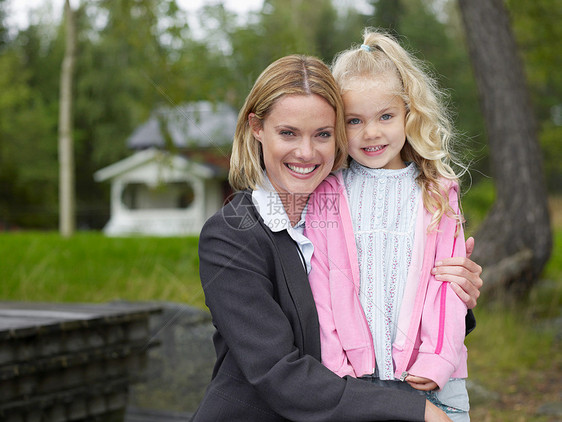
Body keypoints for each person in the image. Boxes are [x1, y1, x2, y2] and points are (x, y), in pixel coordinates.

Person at [193, 54, 482, 421]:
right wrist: (414, 409)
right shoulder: (233, 234)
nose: (306, 152)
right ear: (256, 127)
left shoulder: (346, 209)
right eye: (288, 133)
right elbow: (278, 372)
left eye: (323, 135)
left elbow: (390, 298)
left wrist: (457, 299)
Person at [305, 29, 472, 421]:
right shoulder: (328, 192)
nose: (372, 132)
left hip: (434, 379)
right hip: (356, 383)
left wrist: (438, 359)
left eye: (386, 116)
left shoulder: (437, 191)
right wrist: (336, 368)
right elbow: (322, 286)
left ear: (408, 114)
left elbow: (448, 285)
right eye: (355, 121)